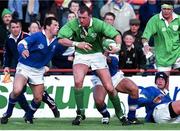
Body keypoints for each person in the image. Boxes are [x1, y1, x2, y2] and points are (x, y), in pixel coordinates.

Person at [58, 6, 129, 126]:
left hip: (97, 54)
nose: (81, 20)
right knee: (78, 82)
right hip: (81, 55)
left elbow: (116, 35)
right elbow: (60, 39)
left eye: (83, 18)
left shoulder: (98, 24)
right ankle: (80, 113)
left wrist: (117, 46)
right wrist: (77, 43)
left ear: (90, 17)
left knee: (109, 87)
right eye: (79, 17)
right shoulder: (74, 23)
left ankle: (121, 114)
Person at [1, 17, 60, 124]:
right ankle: (7, 113)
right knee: (17, 90)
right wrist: (22, 50)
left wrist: (76, 45)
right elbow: (21, 44)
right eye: (55, 25)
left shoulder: (57, 40)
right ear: (47, 26)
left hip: (38, 70)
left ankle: (28, 116)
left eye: (57, 25)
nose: (58, 27)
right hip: (24, 66)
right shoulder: (36, 36)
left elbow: (56, 52)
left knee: (38, 98)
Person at [91, 54, 143, 124]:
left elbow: (115, 61)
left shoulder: (111, 45)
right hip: (100, 78)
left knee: (134, 89)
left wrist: (108, 58)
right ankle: (105, 114)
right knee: (98, 101)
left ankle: (131, 117)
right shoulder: (93, 47)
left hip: (114, 76)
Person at [142, 0, 180, 90]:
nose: (166, 11)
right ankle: (165, 103)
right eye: (164, 9)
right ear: (161, 8)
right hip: (163, 56)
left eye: (168, 9)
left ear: (172, 9)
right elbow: (145, 36)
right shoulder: (155, 20)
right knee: (163, 85)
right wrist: (146, 44)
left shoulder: (179, 19)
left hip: (178, 54)